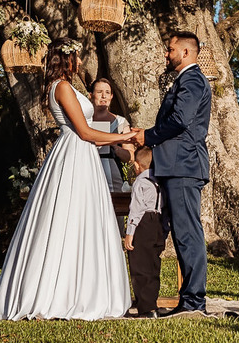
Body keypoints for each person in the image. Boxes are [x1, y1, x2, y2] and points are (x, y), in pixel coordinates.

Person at [0, 39, 135, 320]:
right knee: (67, 219)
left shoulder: (68, 87)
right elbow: (86, 132)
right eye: (77, 57)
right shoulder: (63, 87)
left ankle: (81, 289)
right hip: (75, 154)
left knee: (83, 220)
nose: (80, 62)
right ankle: (58, 294)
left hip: (82, 156)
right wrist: (124, 136)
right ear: (66, 59)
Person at [131, 30, 212, 317]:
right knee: (182, 234)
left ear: (186, 52)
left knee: (188, 234)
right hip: (175, 166)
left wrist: (147, 136)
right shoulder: (185, 80)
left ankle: (193, 302)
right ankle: (188, 299)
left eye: (170, 49)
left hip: (184, 165)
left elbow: (179, 120)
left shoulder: (191, 80)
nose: (167, 54)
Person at [124, 146, 168, 318]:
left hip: (143, 222)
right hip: (157, 222)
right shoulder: (159, 182)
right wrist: (164, 230)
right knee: (153, 265)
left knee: (139, 265)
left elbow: (136, 209)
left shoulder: (140, 183)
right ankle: (153, 303)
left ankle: (145, 308)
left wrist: (130, 232)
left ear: (136, 165)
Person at [90, 78, 132, 193]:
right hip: (87, 174)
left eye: (107, 92)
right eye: (99, 92)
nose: (104, 96)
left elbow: (130, 156)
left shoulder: (121, 122)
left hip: (113, 179)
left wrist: (116, 148)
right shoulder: (83, 122)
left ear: (111, 96)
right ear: (91, 95)